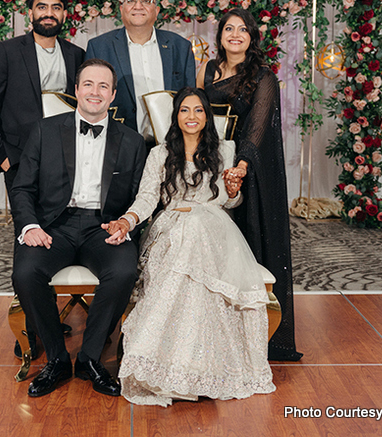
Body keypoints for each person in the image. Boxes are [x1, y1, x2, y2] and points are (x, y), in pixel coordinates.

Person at [105, 87, 275, 406]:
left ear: (207, 116)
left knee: (197, 227)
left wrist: (233, 188)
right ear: (176, 116)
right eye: (185, 110)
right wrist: (127, 220)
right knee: (186, 232)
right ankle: (161, 362)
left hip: (213, 228)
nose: (192, 116)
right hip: (170, 228)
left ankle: (199, 366)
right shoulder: (159, 153)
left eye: (198, 110)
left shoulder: (225, 149)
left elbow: (229, 202)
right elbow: (147, 198)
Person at [11, 58, 146, 398]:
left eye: (103, 86)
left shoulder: (131, 142)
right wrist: (29, 227)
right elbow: (22, 187)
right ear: (76, 90)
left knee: (123, 270)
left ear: (113, 95)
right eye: (88, 84)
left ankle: (89, 358)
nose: (95, 92)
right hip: (53, 225)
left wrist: (125, 225)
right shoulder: (44, 131)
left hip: (103, 227)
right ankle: (56, 359)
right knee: (26, 273)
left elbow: (140, 197)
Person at [197, 8, 302, 361]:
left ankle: (254, 331)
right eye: (229, 28)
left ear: (252, 37)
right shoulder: (208, 70)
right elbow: (194, 114)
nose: (236, 34)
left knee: (250, 246)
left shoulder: (263, 77)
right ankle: (215, 326)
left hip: (250, 172)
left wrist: (239, 169)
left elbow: (255, 130)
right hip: (210, 166)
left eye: (243, 29)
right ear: (220, 35)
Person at [0, 0, 85, 193]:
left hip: (67, 158)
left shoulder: (76, 54)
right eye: (42, 7)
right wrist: (1, 155)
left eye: (56, 8)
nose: (48, 13)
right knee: (26, 224)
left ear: (65, 14)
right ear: (30, 13)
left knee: (60, 224)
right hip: (19, 157)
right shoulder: (7, 52)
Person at [85, 0, 195, 144]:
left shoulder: (180, 47)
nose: (138, 6)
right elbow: (90, 101)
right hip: (118, 144)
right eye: (131, 1)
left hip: (172, 145)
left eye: (146, 1)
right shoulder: (100, 47)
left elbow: (191, 98)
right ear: (121, 10)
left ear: (157, 11)